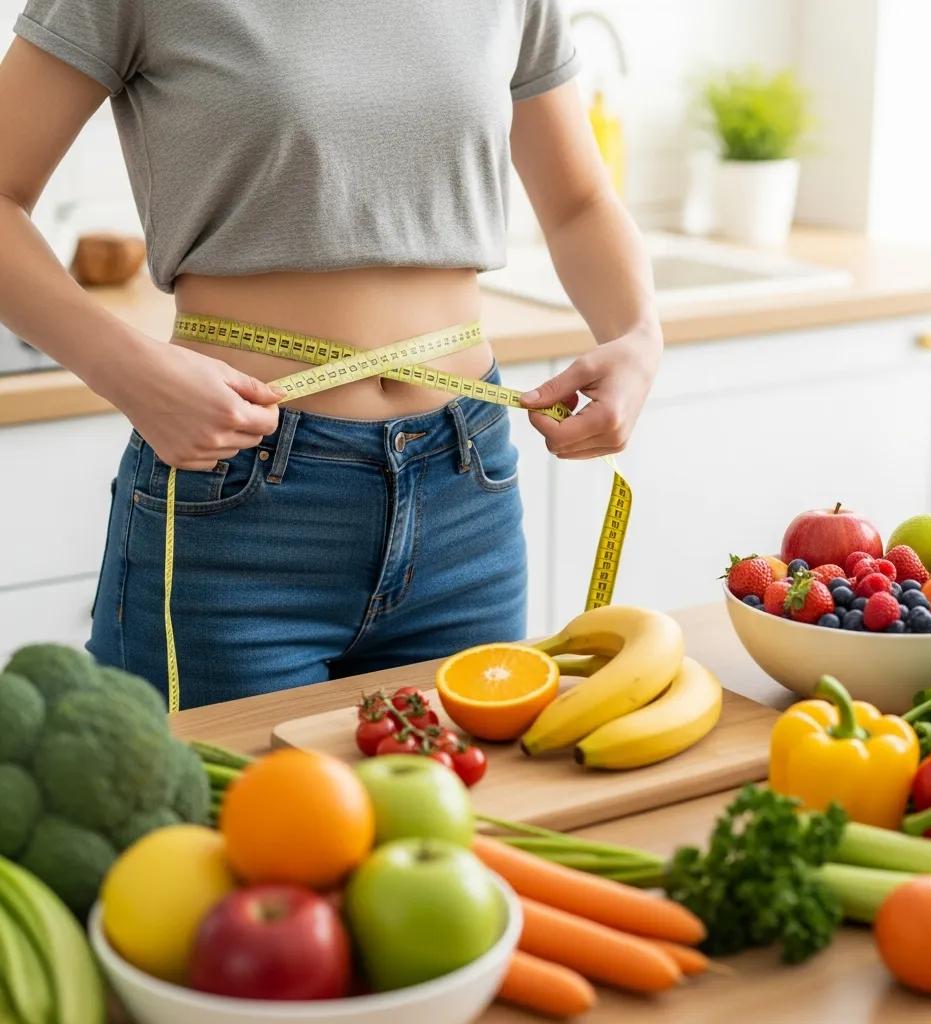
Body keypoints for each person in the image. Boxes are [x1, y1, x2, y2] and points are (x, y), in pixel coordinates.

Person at [0, 1, 662, 708]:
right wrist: (124, 369)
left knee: (465, 784)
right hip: (237, 501)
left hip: (466, 496)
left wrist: (637, 335)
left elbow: (579, 203)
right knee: (224, 786)